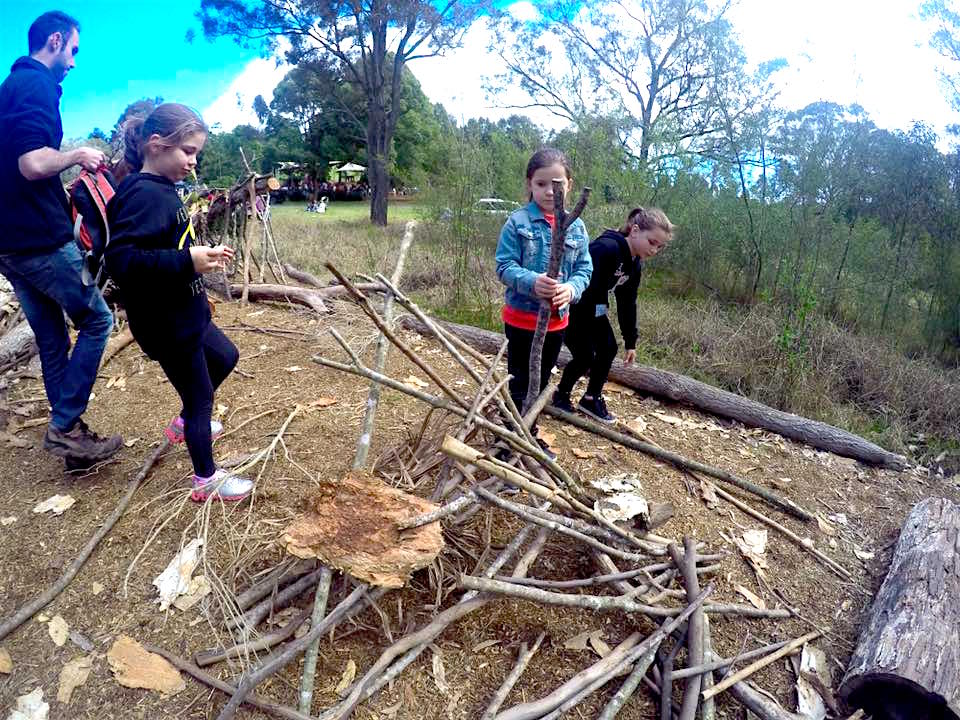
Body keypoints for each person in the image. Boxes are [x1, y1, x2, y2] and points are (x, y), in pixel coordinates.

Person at [105, 103, 253, 502]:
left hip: (188, 311)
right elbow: (123, 261)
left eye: (196, 153)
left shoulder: (163, 189)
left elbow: (165, 244)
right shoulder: (141, 194)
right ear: (156, 144)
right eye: (187, 151)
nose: (192, 161)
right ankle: (205, 479)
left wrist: (196, 255)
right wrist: (187, 260)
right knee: (200, 397)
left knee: (225, 356)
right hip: (166, 323)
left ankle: (186, 422)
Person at [0, 11, 123, 464]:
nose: (73, 62)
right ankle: (63, 425)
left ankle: (69, 436)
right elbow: (32, 164)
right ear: (55, 41)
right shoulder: (34, 86)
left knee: (52, 340)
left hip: (9, 244)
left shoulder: (8, 89)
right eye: (73, 50)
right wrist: (79, 155)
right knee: (97, 321)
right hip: (39, 240)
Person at [495, 148, 593, 454]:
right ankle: (509, 438)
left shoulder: (576, 226)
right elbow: (504, 266)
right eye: (541, 184)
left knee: (540, 378)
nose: (550, 191)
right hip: (521, 319)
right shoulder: (518, 222)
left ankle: (529, 430)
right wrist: (531, 282)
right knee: (520, 379)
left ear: (569, 185)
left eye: (557, 184)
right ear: (529, 184)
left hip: (556, 322)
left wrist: (572, 289)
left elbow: (584, 268)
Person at [552, 207, 674, 423]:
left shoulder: (634, 264)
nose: (654, 250)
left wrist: (631, 341)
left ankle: (591, 398)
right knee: (585, 356)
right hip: (570, 305)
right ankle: (560, 395)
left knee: (608, 348)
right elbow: (580, 278)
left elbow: (627, 302)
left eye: (660, 247)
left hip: (593, 309)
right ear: (635, 231)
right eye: (652, 242)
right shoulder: (606, 248)